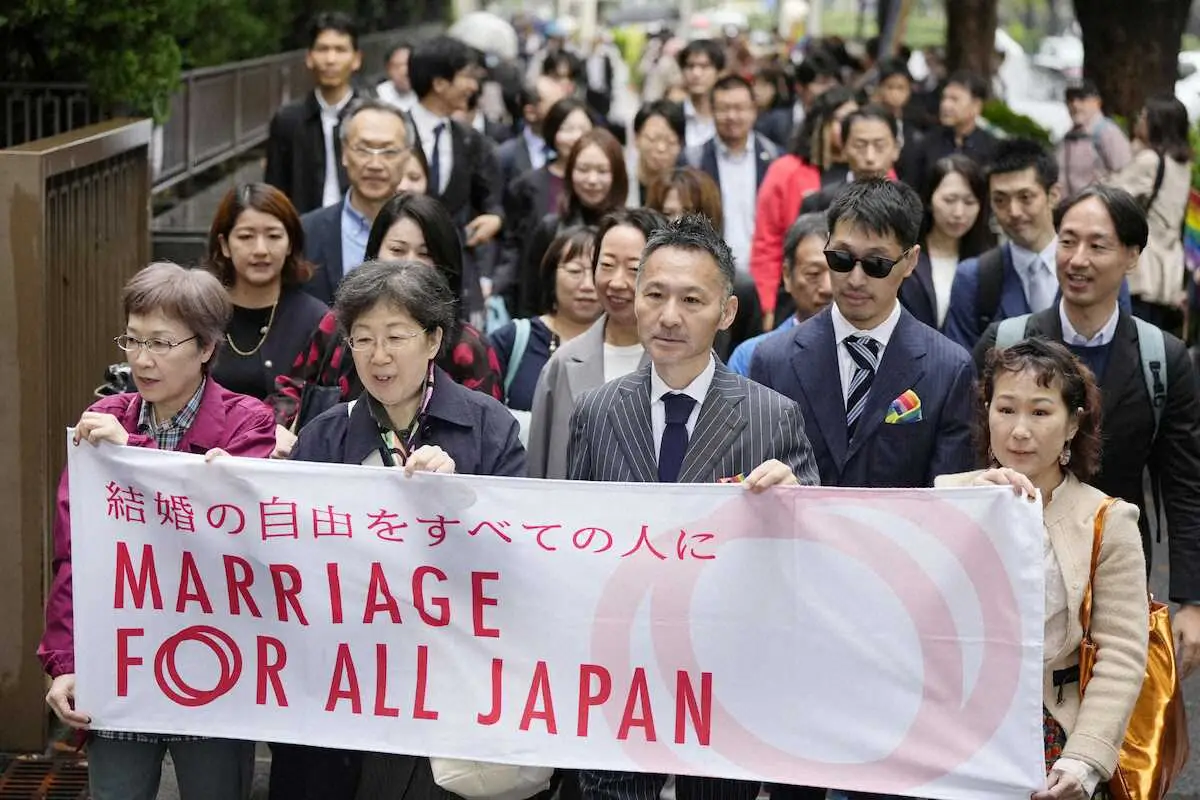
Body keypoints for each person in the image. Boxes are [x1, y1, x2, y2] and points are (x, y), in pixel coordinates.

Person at [571, 215, 819, 800]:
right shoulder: (597, 413)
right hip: (620, 690)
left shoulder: (770, 416)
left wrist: (796, 502)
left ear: (727, 312)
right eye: (654, 295)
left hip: (725, 693)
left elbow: (813, 556)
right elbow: (573, 546)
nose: (670, 316)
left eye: (691, 299)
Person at [274, 261, 525, 800]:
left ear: (433, 339)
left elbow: (518, 554)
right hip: (345, 682)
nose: (378, 356)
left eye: (395, 337)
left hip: (449, 679)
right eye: (362, 340)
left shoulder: (488, 426)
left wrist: (462, 503)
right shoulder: (325, 435)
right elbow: (291, 558)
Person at [41, 262, 275, 800]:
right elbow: (74, 556)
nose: (142, 359)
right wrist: (65, 663)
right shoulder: (103, 420)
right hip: (124, 662)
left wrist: (133, 453)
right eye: (133, 339)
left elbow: (237, 535)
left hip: (218, 666)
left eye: (162, 343)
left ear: (207, 348)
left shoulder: (249, 423)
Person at [974, 185, 1200, 675]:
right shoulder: (1008, 342)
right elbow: (970, 457)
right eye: (1068, 241)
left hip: (1114, 572)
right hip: (1013, 567)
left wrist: (1192, 601)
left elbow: (1184, 484)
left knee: (1112, 710)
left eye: (1097, 245)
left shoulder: (1163, 359)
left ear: (1132, 255)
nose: (1077, 260)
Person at [938, 338, 1149, 800]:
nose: (1018, 430)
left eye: (1040, 412)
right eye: (1006, 409)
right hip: (951, 728)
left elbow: (1122, 653)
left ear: (1073, 424)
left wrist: (1085, 758)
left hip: (1049, 737)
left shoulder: (1107, 520)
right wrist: (976, 506)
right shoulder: (947, 499)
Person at [750, 178, 975, 491]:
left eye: (876, 264)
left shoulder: (949, 369)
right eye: (841, 259)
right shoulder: (774, 360)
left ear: (910, 260)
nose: (855, 279)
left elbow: (948, 498)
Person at [273, 193, 503, 433]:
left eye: (425, 254)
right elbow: (292, 391)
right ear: (374, 254)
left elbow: (488, 438)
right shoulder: (337, 323)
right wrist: (279, 430)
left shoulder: (468, 348)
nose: (409, 264)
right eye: (397, 250)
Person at [528, 208, 667, 479]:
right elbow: (537, 471)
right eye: (606, 265)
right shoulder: (562, 363)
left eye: (633, 269)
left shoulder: (680, 363)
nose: (617, 282)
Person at [203, 183, 329, 458]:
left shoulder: (317, 320)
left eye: (273, 236)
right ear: (224, 244)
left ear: (290, 244)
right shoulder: (200, 311)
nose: (260, 249)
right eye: (246, 236)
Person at [750, 86, 857, 329]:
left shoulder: (876, 174)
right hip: (798, 291)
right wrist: (766, 305)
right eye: (844, 120)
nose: (853, 127)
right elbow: (767, 243)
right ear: (823, 123)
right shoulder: (785, 170)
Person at [942, 138, 1064, 350]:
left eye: (1025, 197)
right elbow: (960, 369)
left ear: (1053, 195)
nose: (1013, 211)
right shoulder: (974, 278)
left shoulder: (1096, 269)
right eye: (1000, 200)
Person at [299, 99, 413, 306]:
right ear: (344, 152)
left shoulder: (429, 233)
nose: (375, 164)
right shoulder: (305, 232)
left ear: (407, 157)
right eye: (363, 149)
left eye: (388, 152)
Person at [508, 128, 629, 320]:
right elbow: (530, 299)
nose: (592, 180)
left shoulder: (630, 232)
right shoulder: (550, 228)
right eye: (583, 169)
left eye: (602, 171)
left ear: (617, 175)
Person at [490, 225, 601, 430]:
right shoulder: (512, 340)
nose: (587, 284)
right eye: (575, 271)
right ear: (551, 276)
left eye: (597, 272)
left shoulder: (622, 348)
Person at [496, 97, 597, 311]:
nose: (576, 136)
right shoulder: (528, 184)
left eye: (583, 129)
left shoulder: (597, 185)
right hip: (537, 290)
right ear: (553, 133)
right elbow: (513, 243)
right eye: (567, 129)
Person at [406, 35, 505, 253]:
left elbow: (489, 197)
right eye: (467, 76)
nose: (473, 86)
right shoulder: (396, 132)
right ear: (440, 83)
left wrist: (495, 218)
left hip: (456, 264)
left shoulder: (472, 140)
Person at [1107, 94, 1195, 330]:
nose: (1139, 120)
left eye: (1144, 115)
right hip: (1169, 272)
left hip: (1144, 268)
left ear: (1157, 123)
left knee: (1131, 336)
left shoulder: (1149, 160)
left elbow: (1108, 195)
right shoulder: (1182, 164)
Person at [264, 12, 366, 214]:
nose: (330, 59)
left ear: (356, 59)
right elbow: (274, 189)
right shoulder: (287, 120)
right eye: (322, 49)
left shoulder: (372, 118)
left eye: (340, 50)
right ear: (309, 58)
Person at [683, 74, 780, 273]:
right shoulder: (693, 160)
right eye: (724, 108)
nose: (732, 116)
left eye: (739, 108)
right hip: (710, 270)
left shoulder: (775, 158)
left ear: (754, 110)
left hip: (764, 275)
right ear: (712, 111)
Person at [729, 213, 832, 375]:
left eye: (837, 272)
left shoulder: (872, 352)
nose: (828, 288)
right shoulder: (751, 357)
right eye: (813, 273)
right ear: (788, 276)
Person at [899, 154, 993, 329]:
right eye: (949, 200)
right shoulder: (904, 253)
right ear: (929, 199)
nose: (959, 212)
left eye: (969, 202)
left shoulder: (989, 263)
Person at [900, 70, 998, 195]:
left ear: (976, 106)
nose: (946, 105)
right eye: (944, 98)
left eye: (954, 99)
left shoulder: (992, 148)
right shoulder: (926, 144)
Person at [798, 104, 901, 213]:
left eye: (879, 146)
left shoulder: (908, 205)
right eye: (860, 146)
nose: (869, 157)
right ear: (844, 148)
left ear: (895, 149)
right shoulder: (819, 204)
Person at [1058, 79, 1133, 197]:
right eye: (1070, 100)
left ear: (1097, 102)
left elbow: (1126, 176)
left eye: (1082, 99)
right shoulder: (1068, 137)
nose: (1075, 105)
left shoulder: (1108, 132)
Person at [496, 75, 569, 186]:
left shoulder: (570, 150)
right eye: (555, 107)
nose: (564, 112)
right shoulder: (505, 157)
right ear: (531, 113)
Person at [628, 100, 686, 206]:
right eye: (652, 139)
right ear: (636, 139)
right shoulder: (620, 184)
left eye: (671, 141)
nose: (661, 148)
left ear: (681, 145)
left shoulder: (689, 191)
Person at [676, 39, 724, 147]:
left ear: (719, 72)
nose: (696, 73)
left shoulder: (728, 117)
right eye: (690, 66)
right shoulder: (673, 115)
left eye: (704, 66)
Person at [377, 41, 416, 112]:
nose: (404, 72)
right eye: (397, 66)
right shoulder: (378, 96)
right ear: (388, 69)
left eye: (409, 65)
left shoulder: (429, 95)